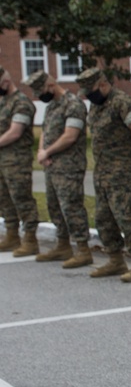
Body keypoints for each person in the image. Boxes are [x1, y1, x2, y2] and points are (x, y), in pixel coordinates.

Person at [76, 67, 131, 282]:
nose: (88, 95)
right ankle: (116, 260)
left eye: (89, 90)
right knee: (104, 219)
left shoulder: (123, 102)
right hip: (103, 173)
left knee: (130, 219)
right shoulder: (97, 105)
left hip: (125, 173)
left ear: (102, 84)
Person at [25, 70, 92, 268]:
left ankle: (83, 249)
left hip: (69, 167)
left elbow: (70, 135)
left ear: (50, 86)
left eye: (40, 91)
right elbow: (45, 131)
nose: (39, 96)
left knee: (71, 207)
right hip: (52, 167)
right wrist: (41, 151)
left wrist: (48, 152)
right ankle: (63, 245)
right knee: (55, 206)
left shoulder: (73, 104)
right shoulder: (52, 106)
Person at [0, 65, 40, 257]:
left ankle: (31, 239)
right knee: (4, 198)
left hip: (16, 159)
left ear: (5, 82)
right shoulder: (3, 101)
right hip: (2, 159)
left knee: (21, 198)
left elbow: (15, 132)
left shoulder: (21, 103)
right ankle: (11, 235)